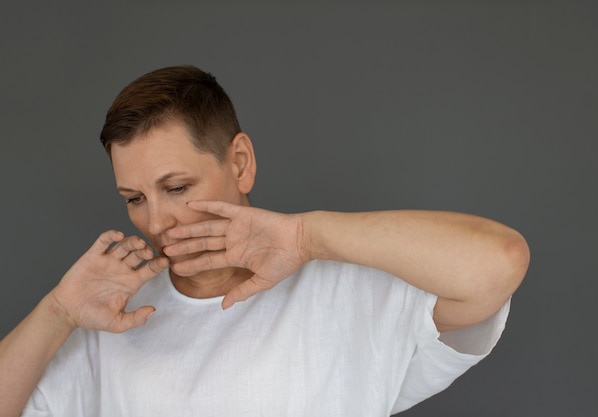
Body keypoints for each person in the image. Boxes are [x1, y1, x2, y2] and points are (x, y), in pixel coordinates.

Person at [0, 65, 529, 417]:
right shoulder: (112, 319)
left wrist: (306, 237)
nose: (157, 221)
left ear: (240, 162)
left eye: (177, 187)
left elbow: (498, 262)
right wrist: (57, 312)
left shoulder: (346, 291)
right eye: (134, 198)